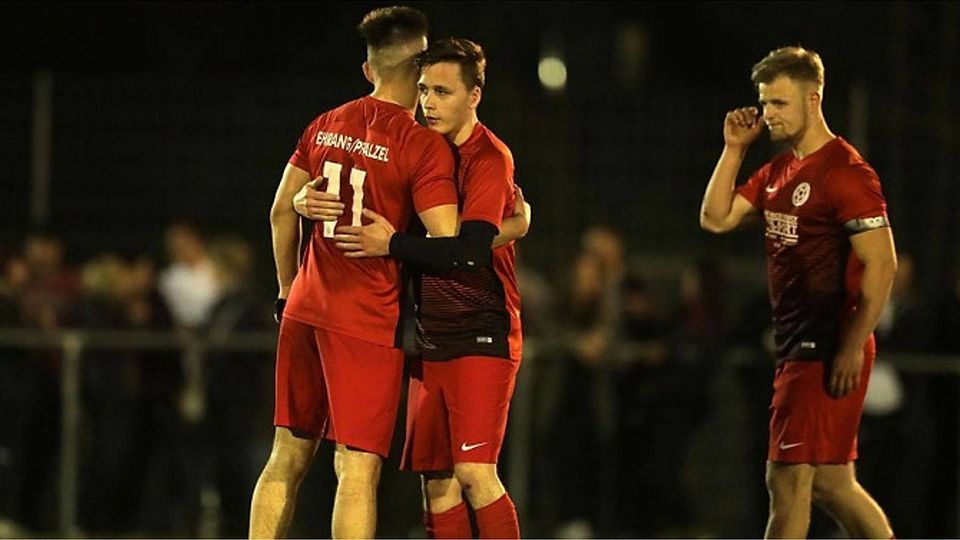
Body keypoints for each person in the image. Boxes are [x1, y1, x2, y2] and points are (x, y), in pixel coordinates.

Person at [248, 7, 462, 539]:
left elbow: (280, 211)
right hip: (365, 319)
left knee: (285, 456)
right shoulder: (422, 144)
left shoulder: (325, 123)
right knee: (357, 466)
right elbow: (448, 242)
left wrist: (286, 291)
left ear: (369, 69)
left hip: (305, 307)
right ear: (421, 69)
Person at [324, 38, 526, 539]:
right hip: (430, 335)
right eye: (423, 90)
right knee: (436, 481)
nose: (429, 102)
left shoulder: (487, 157)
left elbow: (470, 251)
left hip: (482, 332)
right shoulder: (418, 148)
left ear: (474, 96)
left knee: (475, 473)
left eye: (443, 91)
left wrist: (392, 244)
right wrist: (308, 197)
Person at [699, 46, 897, 539]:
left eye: (780, 103)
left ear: (814, 99)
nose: (768, 113)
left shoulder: (846, 172)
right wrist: (734, 149)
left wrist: (851, 345)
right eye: (765, 102)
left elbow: (883, 264)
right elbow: (716, 218)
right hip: (796, 346)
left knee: (785, 482)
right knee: (832, 484)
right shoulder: (780, 171)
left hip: (824, 346)